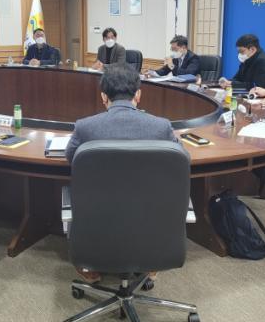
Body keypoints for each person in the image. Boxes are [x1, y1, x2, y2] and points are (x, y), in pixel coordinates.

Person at [66, 64, 188, 283]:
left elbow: (72, 159)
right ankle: (150, 261)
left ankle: (92, 265)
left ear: (104, 97)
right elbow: (182, 159)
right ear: (138, 95)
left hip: (100, 216)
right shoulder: (161, 127)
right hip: (150, 218)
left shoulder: (85, 127)